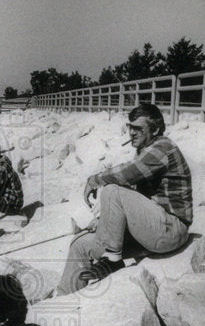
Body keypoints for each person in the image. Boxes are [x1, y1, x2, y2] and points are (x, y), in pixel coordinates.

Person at [56, 103, 193, 294]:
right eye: (130, 127)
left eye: (138, 129)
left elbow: (126, 174)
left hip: (172, 229)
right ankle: (65, 298)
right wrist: (104, 223)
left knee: (112, 189)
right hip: (152, 230)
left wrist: (94, 180)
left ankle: (112, 260)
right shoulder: (146, 150)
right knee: (80, 244)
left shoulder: (163, 147)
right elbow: (133, 200)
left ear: (155, 129)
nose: (132, 133)